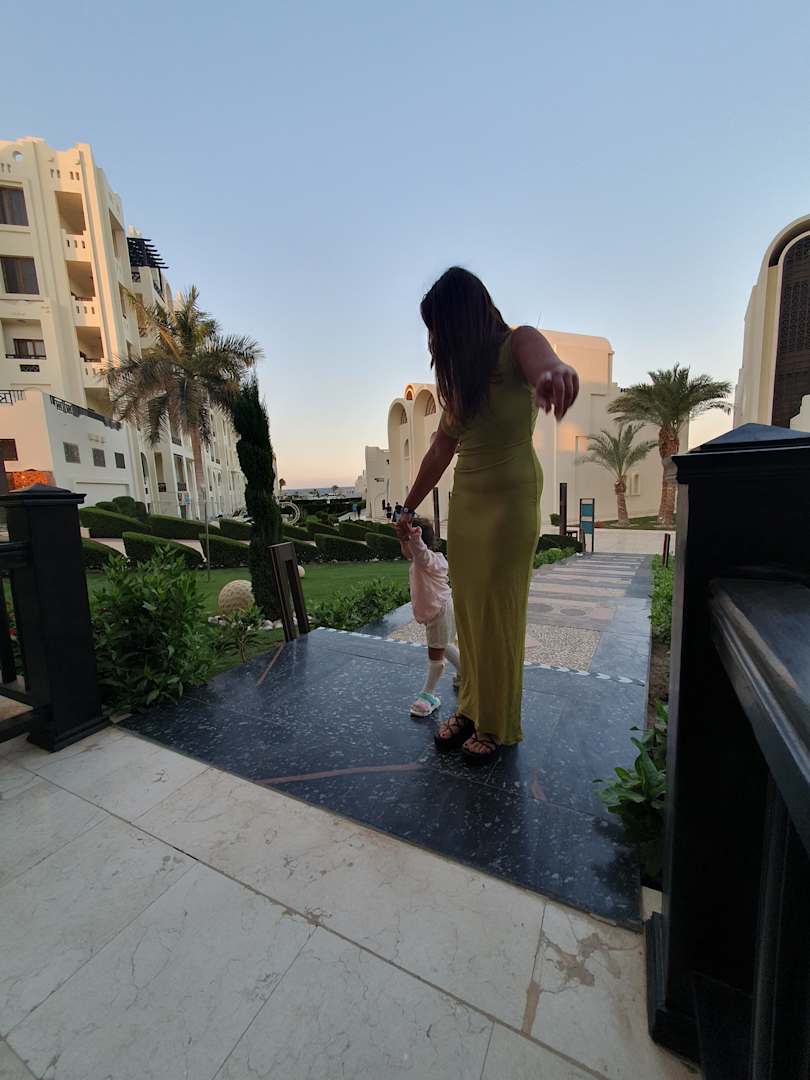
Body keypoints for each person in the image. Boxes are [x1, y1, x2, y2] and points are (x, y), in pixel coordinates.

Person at [396, 267, 578, 763]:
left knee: (498, 613)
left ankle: (496, 722)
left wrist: (554, 374)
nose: (435, 338)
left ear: (463, 316)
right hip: (468, 502)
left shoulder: (518, 342)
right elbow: (441, 448)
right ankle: (472, 708)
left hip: (511, 497)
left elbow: (546, 364)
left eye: (439, 326)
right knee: (472, 614)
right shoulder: (461, 378)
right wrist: (407, 507)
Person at [399, 516, 461, 717]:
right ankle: (467, 674)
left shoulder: (426, 560)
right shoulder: (431, 560)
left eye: (405, 544)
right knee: (444, 644)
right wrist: (408, 539)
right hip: (440, 607)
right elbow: (417, 553)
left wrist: (413, 537)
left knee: (436, 655)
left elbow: (420, 553)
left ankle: (427, 697)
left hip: (439, 611)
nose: (403, 549)